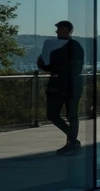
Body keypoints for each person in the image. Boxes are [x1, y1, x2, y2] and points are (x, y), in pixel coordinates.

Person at [36, 20, 85, 156]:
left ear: (68, 31)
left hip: (65, 84)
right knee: (55, 115)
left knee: (70, 116)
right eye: (57, 29)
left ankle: (71, 142)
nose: (57, 31)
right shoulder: (75, 46)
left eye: (60, 29)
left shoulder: (73, 46)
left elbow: (48, 66)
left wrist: (48, 67)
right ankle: (73, 140)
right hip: (66, 84)